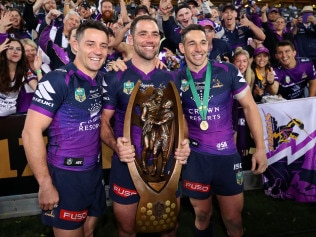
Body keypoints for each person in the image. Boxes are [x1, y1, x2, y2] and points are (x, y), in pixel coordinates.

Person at [100, 15, 190, 237]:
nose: (150, 39)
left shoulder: (171, 76)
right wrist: (115, 145)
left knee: (169, 228)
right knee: (127, 230)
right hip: (127, 168)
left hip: (166, 167)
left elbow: (180, 120)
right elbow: (102, 122)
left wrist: (184, 142)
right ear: (130, 39)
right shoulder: (116, 76)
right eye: (143, 33)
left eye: (155, 34)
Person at [176, 24, 267, 237]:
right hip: (195, 159)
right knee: (202, 215)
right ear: (182, 48)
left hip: (226, 157)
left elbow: (250, 106)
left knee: (233, 220)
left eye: (203, 43)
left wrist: (261, 147)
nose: (199, 48)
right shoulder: (176, 78)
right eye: (192, 43)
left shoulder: (228, 71)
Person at [21, 20, 110, 237]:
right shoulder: (57, 80)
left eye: (104, 45)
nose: (98, 51)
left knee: (88, 233)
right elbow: (30, 133)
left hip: (94, 173)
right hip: (65, 175)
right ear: (75, 45)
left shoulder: (102, 80)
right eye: (90, 44)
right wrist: (45, 184)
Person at [0, 38, 29, 116]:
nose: (15, 51)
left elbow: (39, 88)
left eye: (19, 49)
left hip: (11, 118)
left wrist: (38, 70)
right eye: (11, 48)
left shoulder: (24, 71)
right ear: (4, 51)